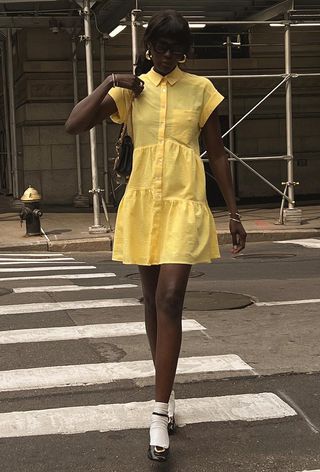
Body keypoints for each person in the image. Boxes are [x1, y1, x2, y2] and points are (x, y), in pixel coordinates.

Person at [65, 9, 247, 462]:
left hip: (185, 202)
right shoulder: (133, 91)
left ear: (186, 51)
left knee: (169, 299)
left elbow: (218, 155)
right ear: (149, 47)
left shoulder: (201, 90)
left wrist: (234, 213)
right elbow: (74, 123)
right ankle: (166, 398)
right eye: (161, 47)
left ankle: (157, 410)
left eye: (177, 49)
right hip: (144, 203)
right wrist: (110, 81)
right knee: (150, 302)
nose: (168, 56)